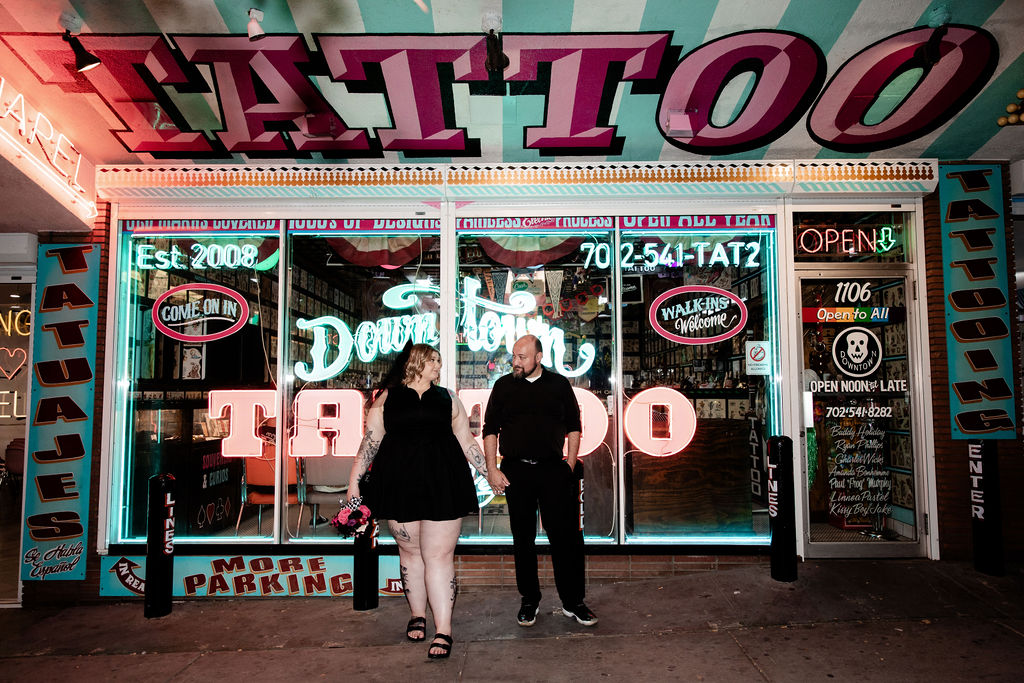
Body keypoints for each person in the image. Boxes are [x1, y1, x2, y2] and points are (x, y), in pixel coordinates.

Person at [347, 344, 488, 659]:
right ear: (417, 363)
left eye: (439, 360)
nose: (438, 365)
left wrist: (490, 471)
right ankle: (417, 615)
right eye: (434, 360)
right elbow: (370, 441)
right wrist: (354, 482)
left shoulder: (449, 398)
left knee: (438, 556)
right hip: (399, 482)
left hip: (444, 481)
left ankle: (444, 630)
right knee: (410, 552)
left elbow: (467, 441)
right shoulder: (387, 399)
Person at [483, 334, 597, 627]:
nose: (515, 362)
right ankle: (529, 600)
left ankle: (573, 602)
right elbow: (490, 429)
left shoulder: (558, 385)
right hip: (515, 472)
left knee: (565, 539)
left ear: (538, 357)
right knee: (523, 539)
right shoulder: (504, 386)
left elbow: (574, 426)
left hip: (552, 471)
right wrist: (492, 469)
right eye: (514, 357)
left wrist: (569, 465)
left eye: (522, 357)